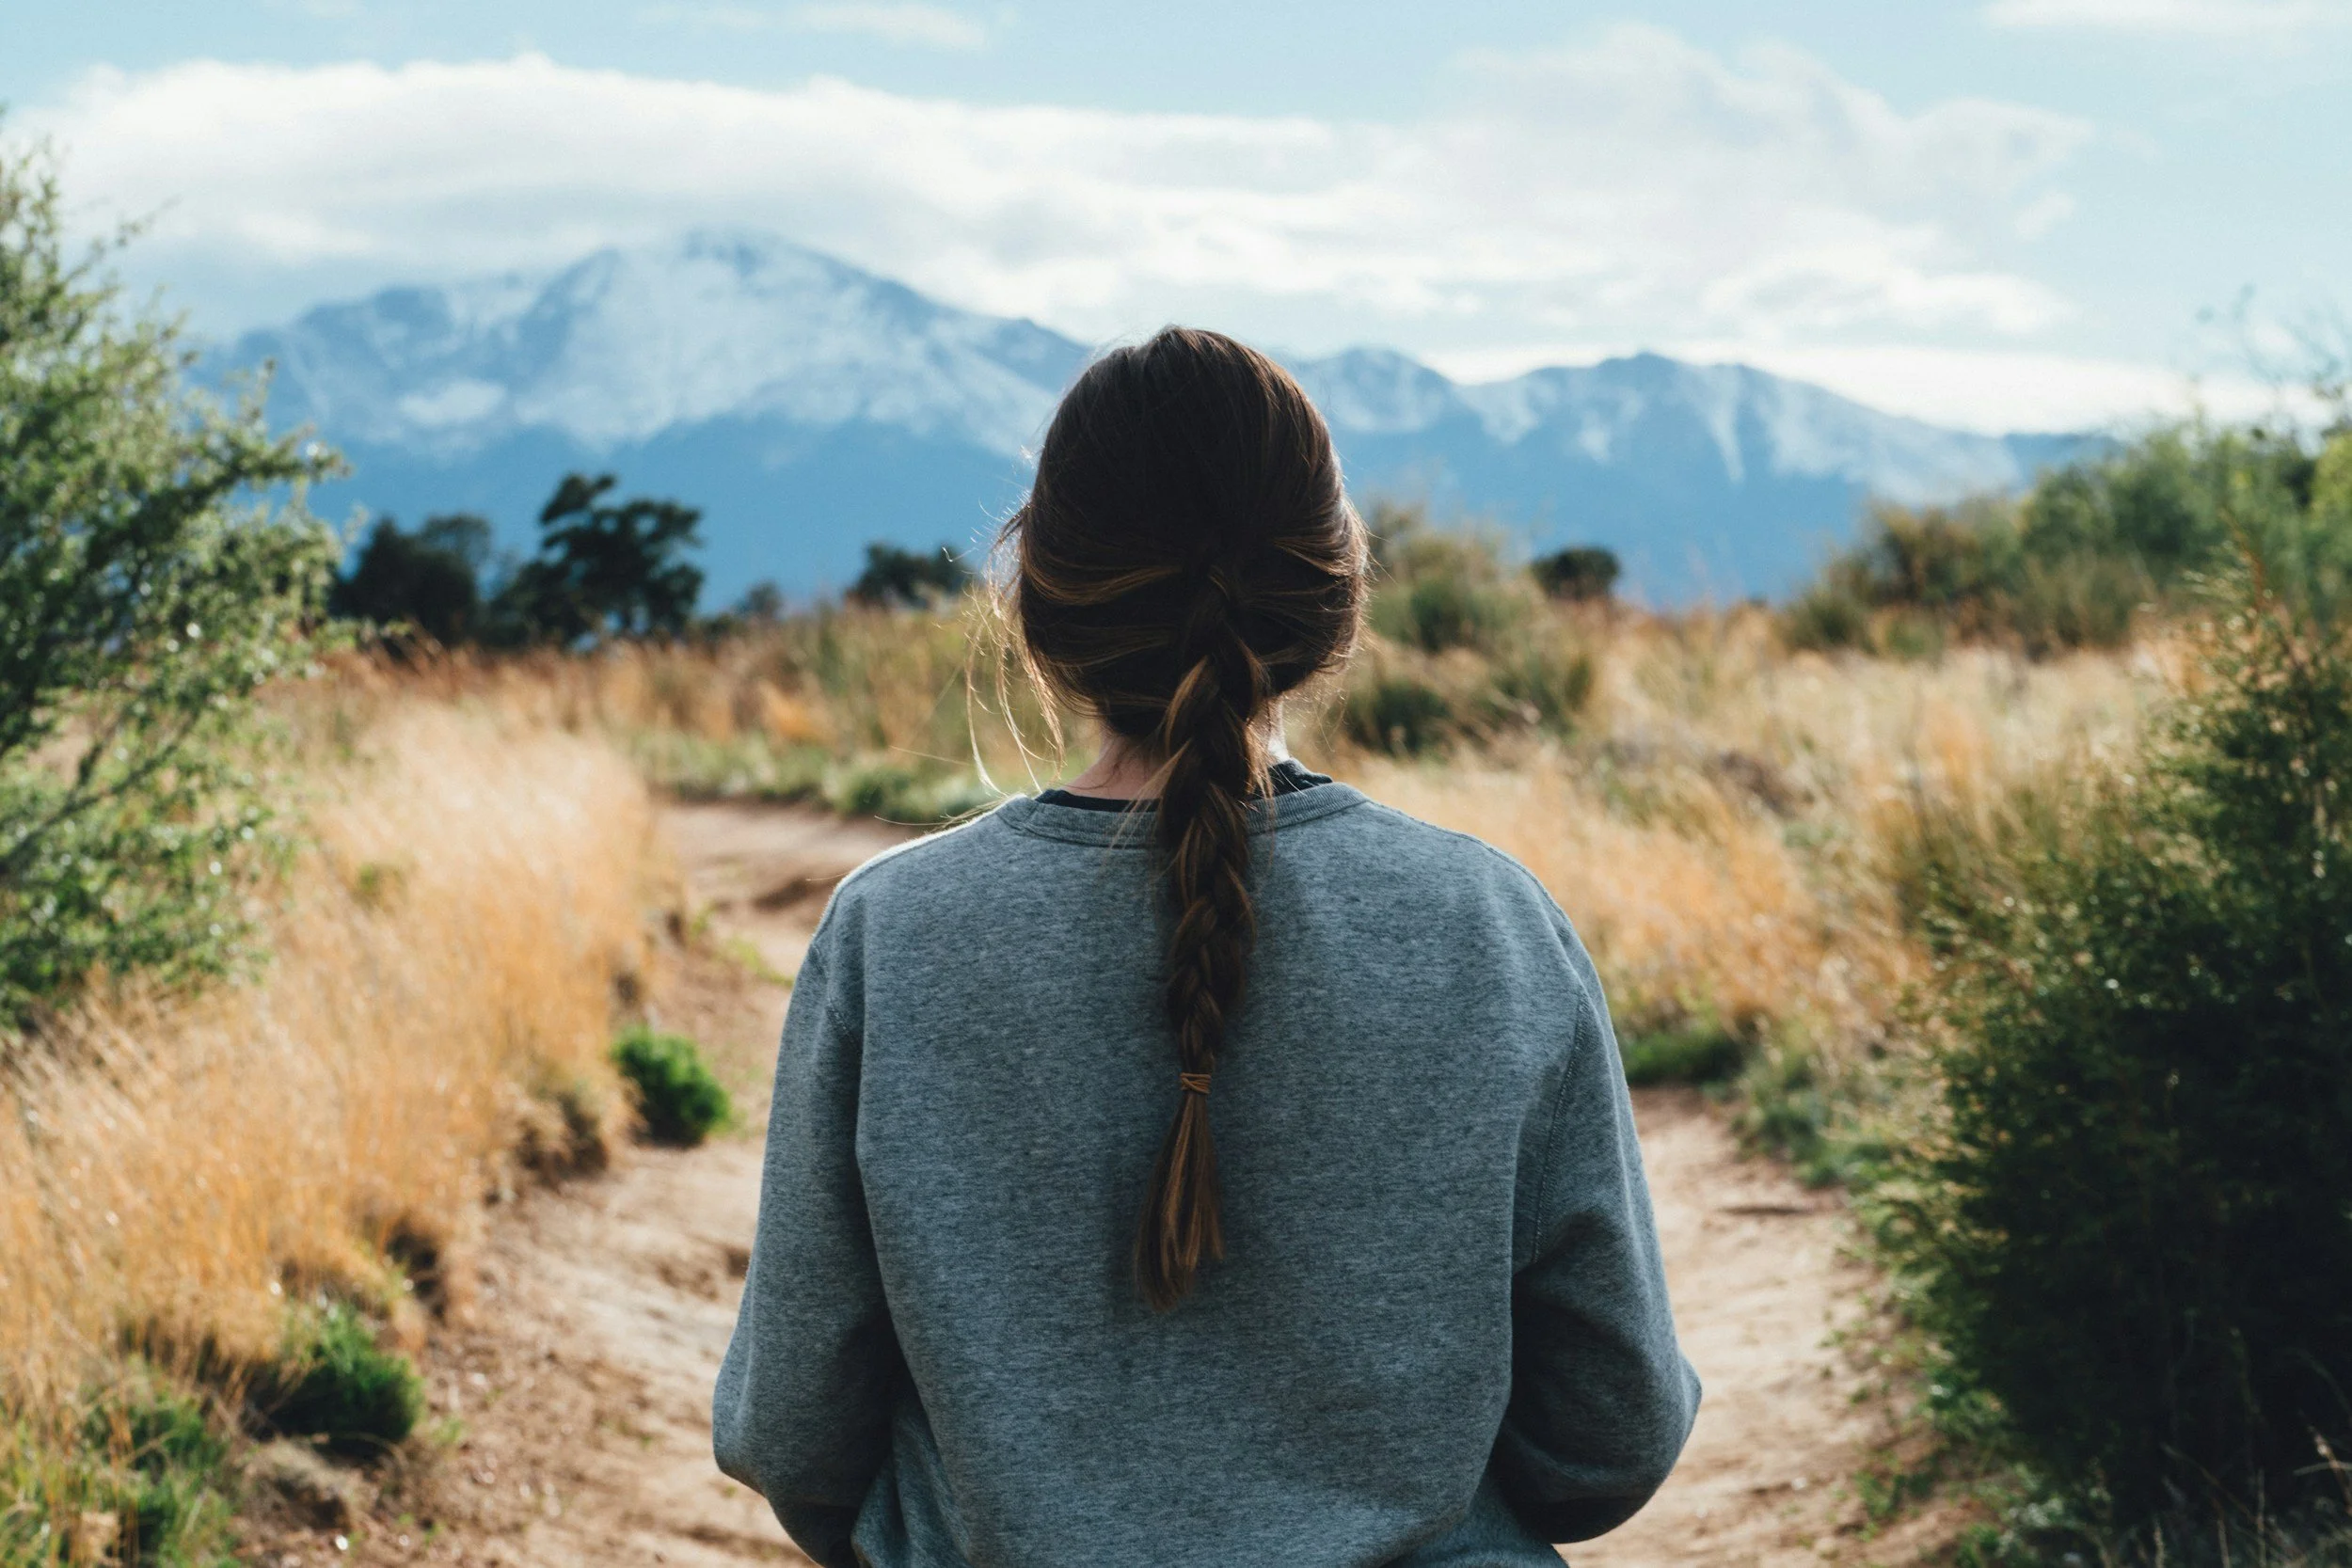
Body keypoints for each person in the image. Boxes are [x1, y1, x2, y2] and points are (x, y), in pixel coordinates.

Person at [711, 327, 1699, 1568]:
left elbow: (795, 1432)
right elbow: (1614, 1429)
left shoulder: (889, 939)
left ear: (1036, 602)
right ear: (1334, 596)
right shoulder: (1488, 925)